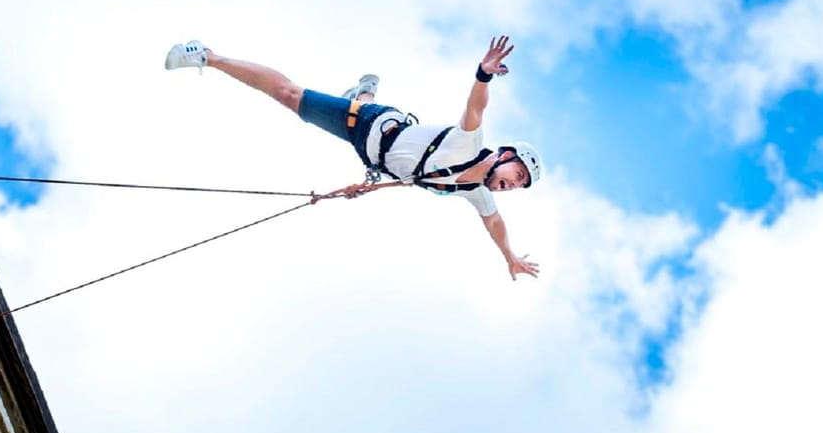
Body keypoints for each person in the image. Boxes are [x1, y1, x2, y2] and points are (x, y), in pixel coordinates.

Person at [165, 36, 542, 280]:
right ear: (506, 155)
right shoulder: (469, 142)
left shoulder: (477, 192)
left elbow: (494, 224)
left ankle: (361, 92)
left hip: (373, 157)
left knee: (352, 104)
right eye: (517, 173)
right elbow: (475, 107)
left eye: (519, 186)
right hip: (371, 125)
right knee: (290, 95)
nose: (513, 185)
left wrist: (509, 256)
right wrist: (483, 75)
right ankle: (209, 56)